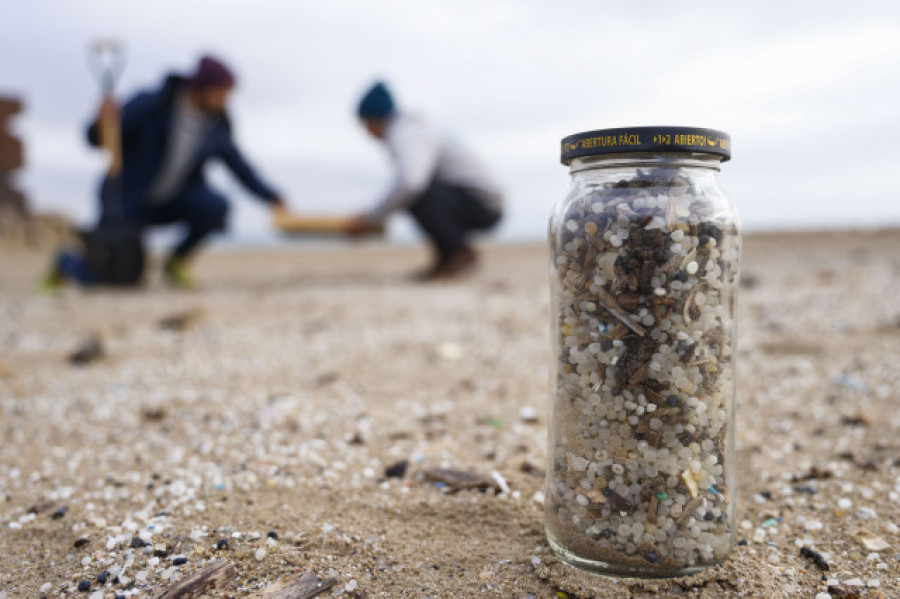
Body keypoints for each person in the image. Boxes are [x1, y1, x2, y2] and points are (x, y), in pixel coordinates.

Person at [59, 55, 287, 289]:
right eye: (222, 93)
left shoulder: (217, 123)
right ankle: (66, 263)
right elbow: (97, 140)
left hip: (174, 199)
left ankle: (176, 262)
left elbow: (238, 164)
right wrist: (101, 122)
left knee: (216, 207)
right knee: (117, 279)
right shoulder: (151, 104)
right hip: (126, 199)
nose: (225, 101)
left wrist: (270, 196)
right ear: (203, 88)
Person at [345, 81, 503, 280]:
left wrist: (370, 218)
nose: (367, 132)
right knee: (416, 192)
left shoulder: (406, 132)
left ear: (375, 118)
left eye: (366, 124)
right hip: (474, 198)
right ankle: (447, 258)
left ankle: (458, 253)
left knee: (415, 193)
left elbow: (410, 182)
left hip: (482, 203)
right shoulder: (410, 129)